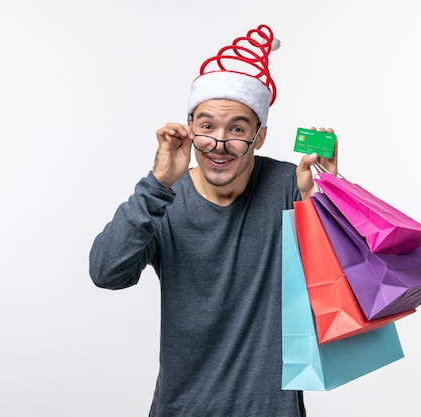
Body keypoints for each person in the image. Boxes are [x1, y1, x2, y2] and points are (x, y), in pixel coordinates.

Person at [89, 24, 338, 417]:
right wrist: (155, 185)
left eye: (237, 129)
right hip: (181, 408)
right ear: (190, 130)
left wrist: (324, 198)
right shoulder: (163, 199)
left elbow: (339, 288)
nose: (219, 144)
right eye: (206, 127)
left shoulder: (292, 185)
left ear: (259, 136)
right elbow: (106, 272)